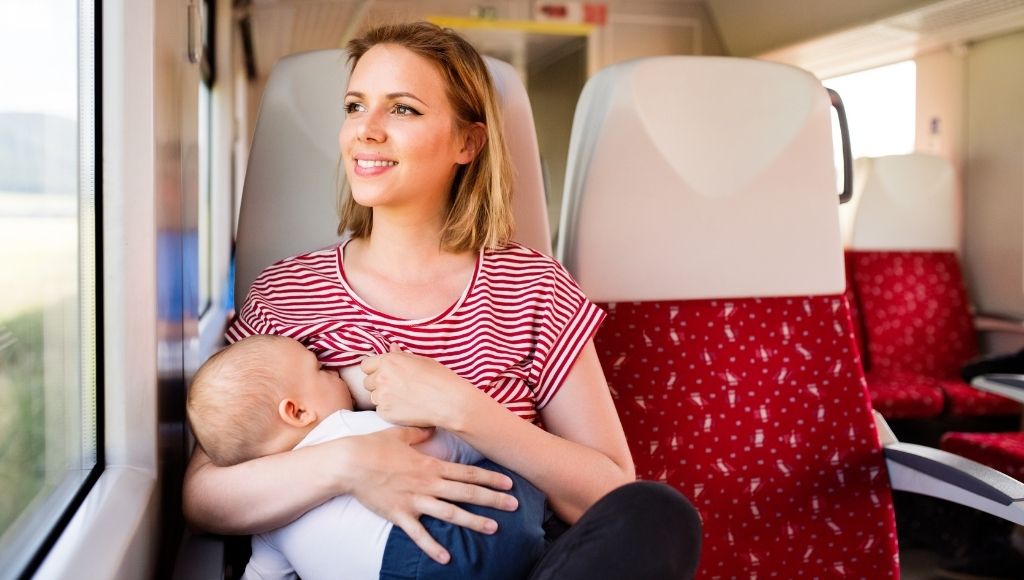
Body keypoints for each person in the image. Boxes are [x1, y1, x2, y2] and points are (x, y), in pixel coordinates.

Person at [183, 21, 701, 580]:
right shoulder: (286, 292)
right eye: (356, 106)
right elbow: (205, 494)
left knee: (660, 513)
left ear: (467, 143)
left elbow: (609, 496)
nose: (367, 130)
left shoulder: (534, 286)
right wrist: (348, 463)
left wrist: (465, 410)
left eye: (402, 109)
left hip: (522, 561)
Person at [186, 334, 545, 580]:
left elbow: (263, 575)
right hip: (441, 553)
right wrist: (490, 442)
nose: (335, 372)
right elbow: (444, 445)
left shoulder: (266, 517)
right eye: (320, 369)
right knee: (514, 479)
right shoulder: (348, 426)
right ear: (297, 412)